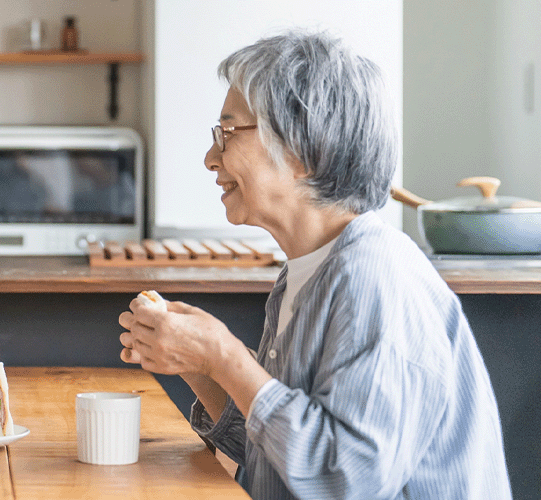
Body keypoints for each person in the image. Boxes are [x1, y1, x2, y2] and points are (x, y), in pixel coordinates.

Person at [118, 31, 510, 499]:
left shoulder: (374, 276)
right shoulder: (304, 274)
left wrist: (226, 356)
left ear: (304, 150)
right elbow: (279, 453)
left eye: (228, 132)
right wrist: (201, 366)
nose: (210, 157)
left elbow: (344, 481)